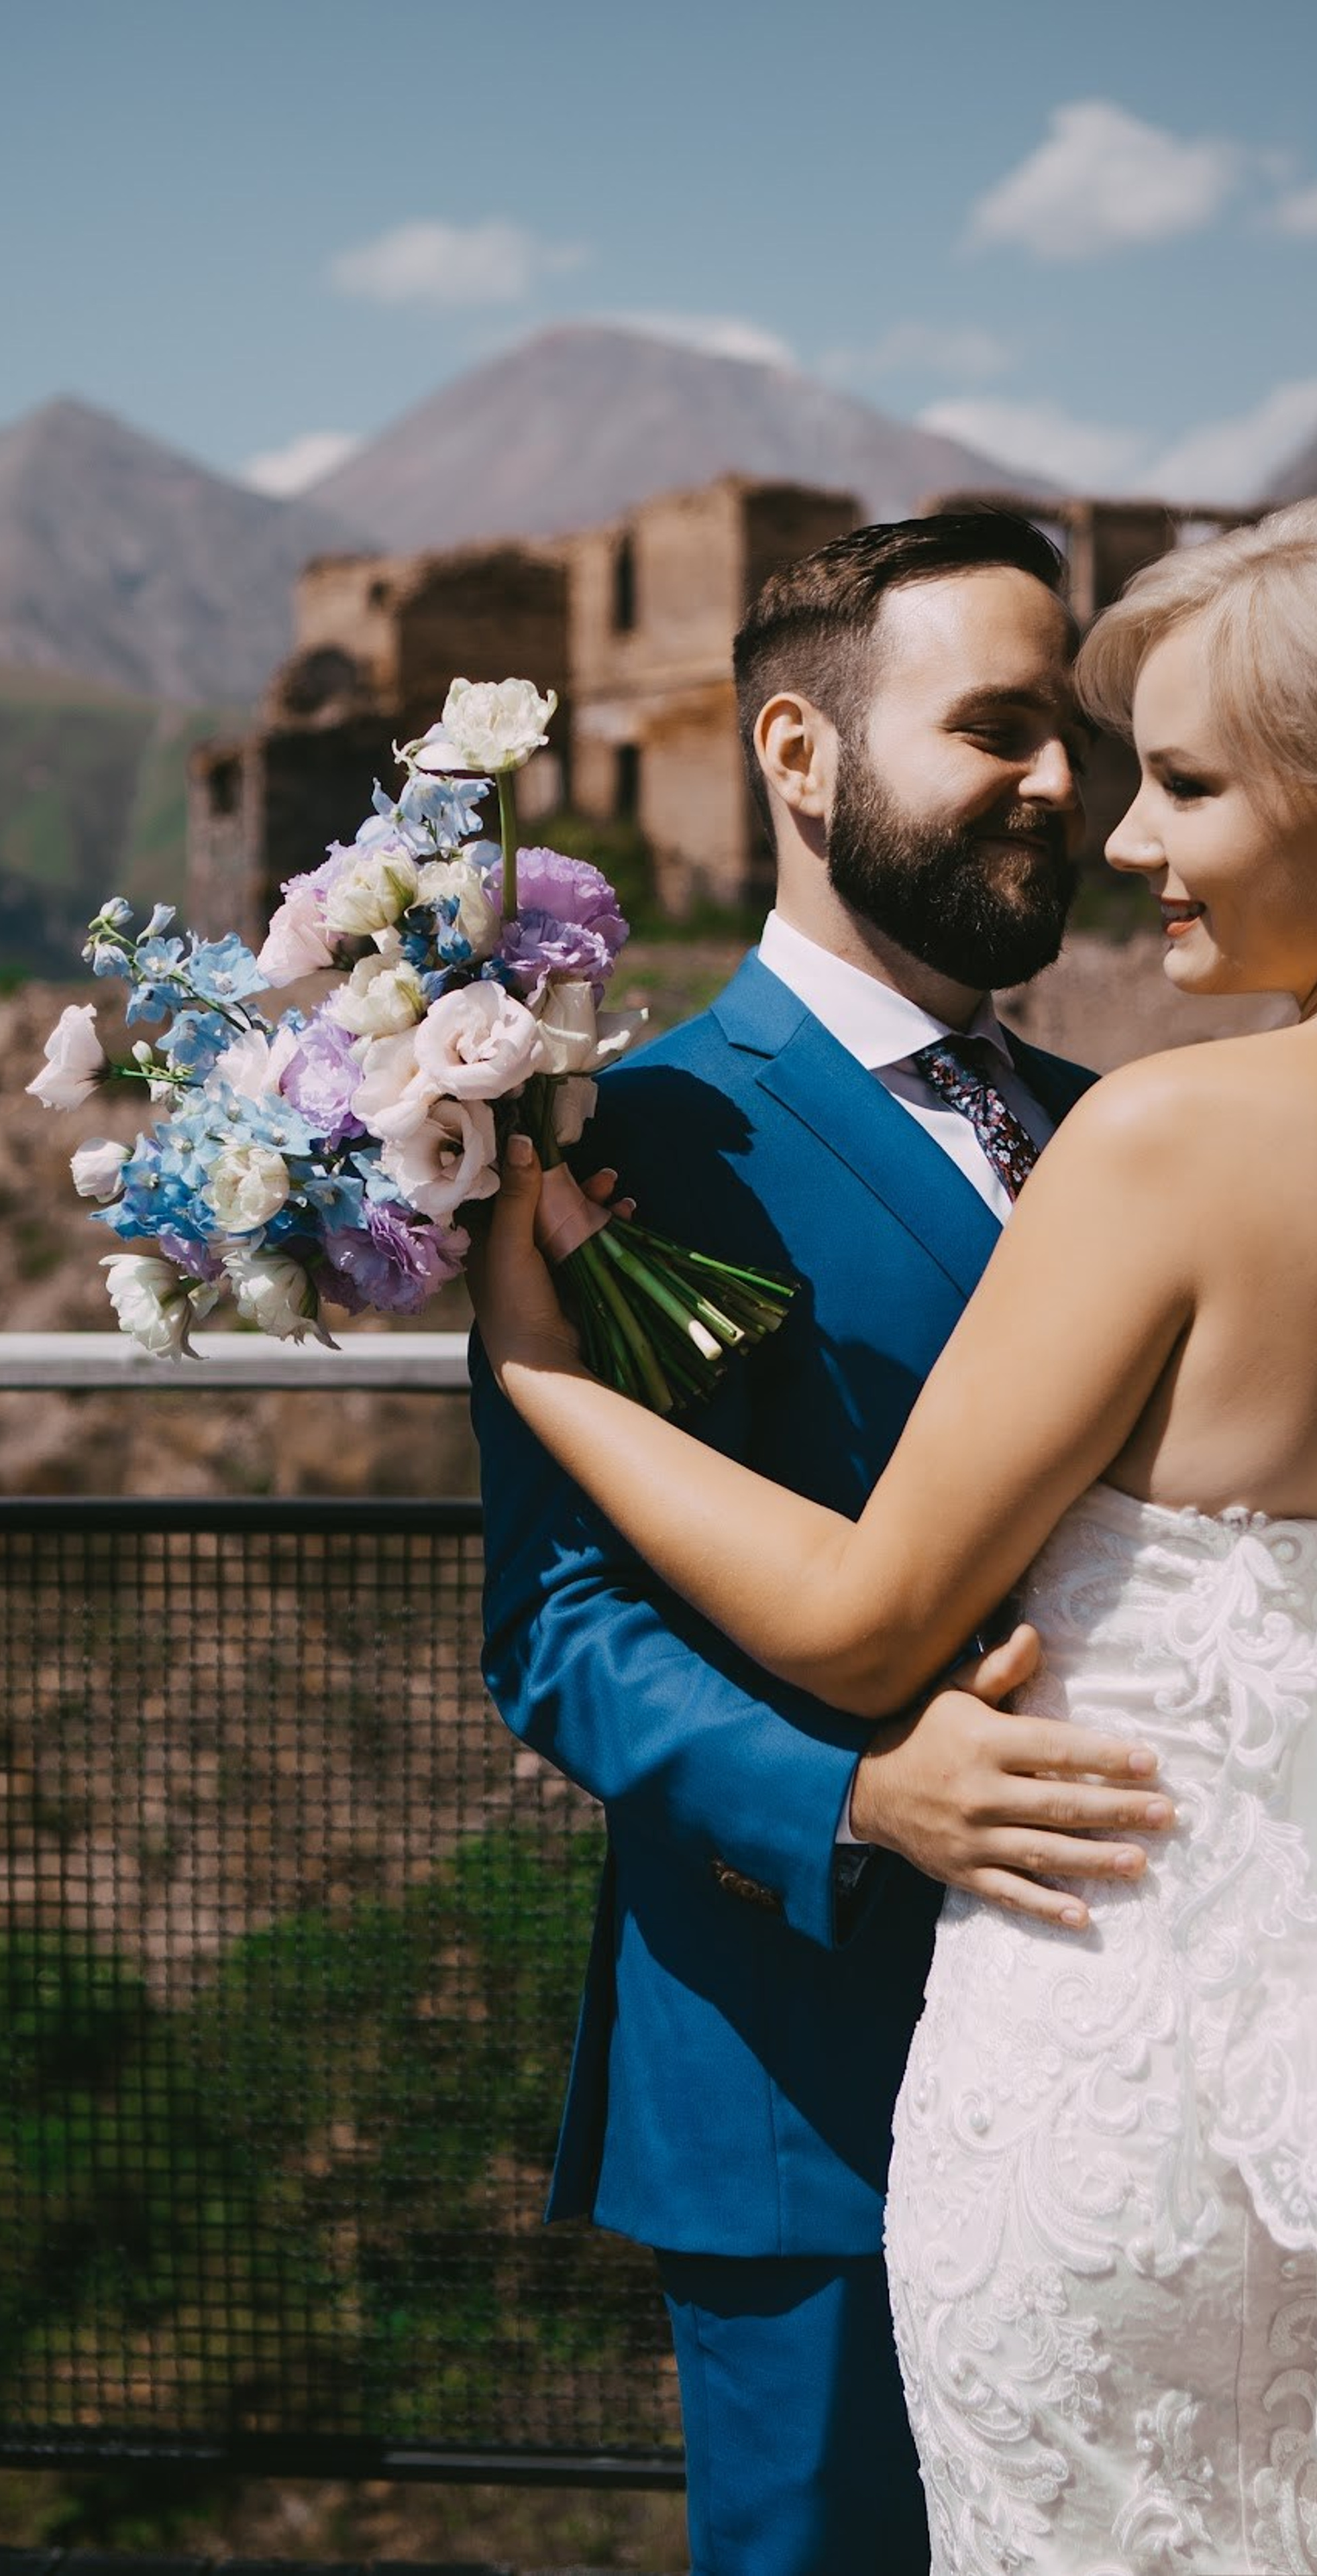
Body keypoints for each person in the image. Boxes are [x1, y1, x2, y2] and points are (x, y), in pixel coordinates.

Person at [474, 501, 1317, 2574]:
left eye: (1093, 744)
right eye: (1002, 729)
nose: (1070, 790)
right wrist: (859, 1798)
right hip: (804, 2083)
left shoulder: (1133, 1111)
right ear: (797, 757)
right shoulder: (630, 1139)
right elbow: (559, 1621)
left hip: (1189, 2048)